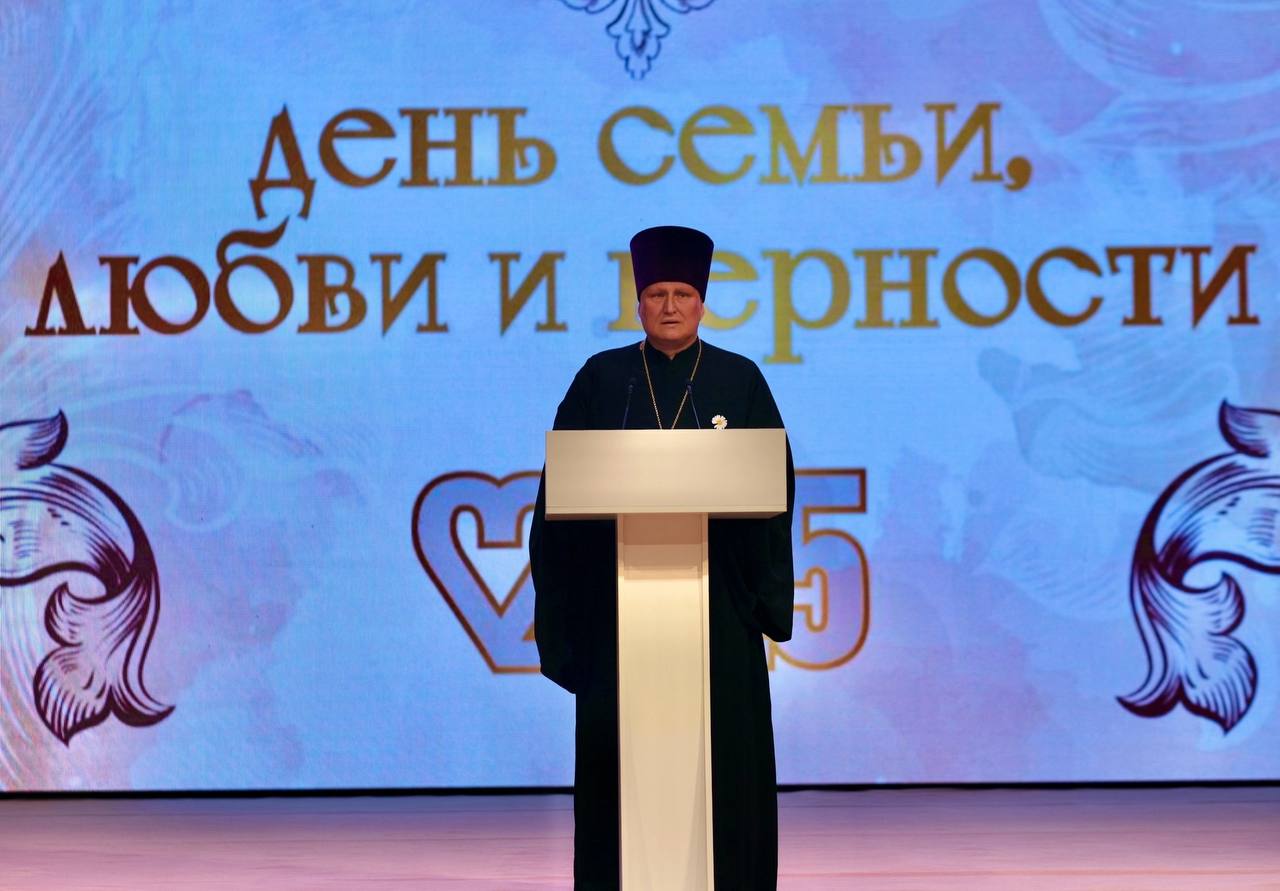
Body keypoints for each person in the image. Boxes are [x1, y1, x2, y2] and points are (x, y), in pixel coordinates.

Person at [529, 225, 796, 891]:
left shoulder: (740, 379)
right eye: (656, 294)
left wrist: (757, 595)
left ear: (702, 303)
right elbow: (559, 487)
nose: (670, 306)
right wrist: (568, 615)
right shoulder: (602, 378)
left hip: (717, 611)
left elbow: (775, 484)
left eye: (682, 294)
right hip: (619, 614)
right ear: (638, 304)